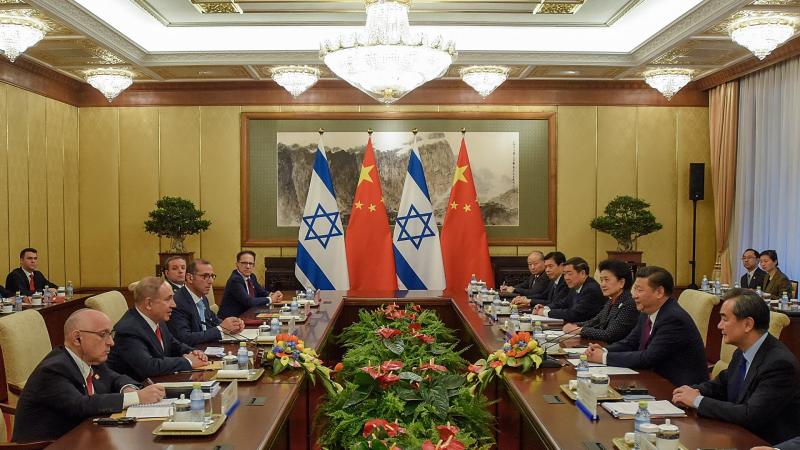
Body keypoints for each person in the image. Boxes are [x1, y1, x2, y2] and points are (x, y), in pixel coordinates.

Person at [12, 309, 165, 442]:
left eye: (110, 334)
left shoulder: (90, 360)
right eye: (103, 334)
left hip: (82, 438)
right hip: (49, 445)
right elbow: (80, 405)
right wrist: (137, 397)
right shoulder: (54, 369)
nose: (111, 342)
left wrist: (129, 388)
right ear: (77, 338)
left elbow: (116, 378)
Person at [672, 289, 800, 445]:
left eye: (725, 319)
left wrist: (698, 401)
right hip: (737, 433)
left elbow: (750, 414)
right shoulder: (742, 351)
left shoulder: (779, 364)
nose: (719, 326)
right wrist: (694, 391)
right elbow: (722, 384)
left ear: (747, 324)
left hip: (764, 443)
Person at [585, 266, 708, 387]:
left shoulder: (673, 318)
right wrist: (604, 350)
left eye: (640, 290)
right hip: (653, 379)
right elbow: (630, 342)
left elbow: (648, 357)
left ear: (659, 292)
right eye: (634, 289)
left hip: (677, 388)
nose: (634, 295)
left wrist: (603, 357)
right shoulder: (647, 311)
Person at [108, 276, 208, 380]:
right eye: (168, 299)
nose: (174, 305)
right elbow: (148, 366)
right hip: (138, 390)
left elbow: (173, 345)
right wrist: (189, 361)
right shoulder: (128, 330)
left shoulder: (158, 320)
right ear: (149, 304)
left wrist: (194, 352)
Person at [168, 259, 245, 345]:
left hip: (207, 347)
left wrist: (233, 325)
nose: (211, 281)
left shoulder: (203, 298)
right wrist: (221, 329)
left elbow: (212, 320)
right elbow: (185, 338)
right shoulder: (178, 302)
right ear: (190, 278)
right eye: (205, 276)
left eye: (212, 276)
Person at [563, 259, 638, 344]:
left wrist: (580, 330)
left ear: (621, 282)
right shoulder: (611, 301)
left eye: (607, 280)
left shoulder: (629, 304)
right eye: (601, 280)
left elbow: (609, 335)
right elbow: (595, 321)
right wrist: (575, 325)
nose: (602, 284)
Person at [532, 257, 605, 323]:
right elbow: (563, 303)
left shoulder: (591, 289)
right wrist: (545, 307)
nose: (566, 278)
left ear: (582, 273)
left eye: (569, 274)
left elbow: (574, 314)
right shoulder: (575, 286)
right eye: (564, 274)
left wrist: (545, 312)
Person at [219, 250, 283, 319]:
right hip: (231, 320)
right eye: (244, 263)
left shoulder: (252, 276)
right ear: (237, 264)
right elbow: (249, 301)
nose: (248, 266)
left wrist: (273, 295)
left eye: (251, 263)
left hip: (247, 316)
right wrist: (271, 299)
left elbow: (261, 292)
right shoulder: (235, 280)